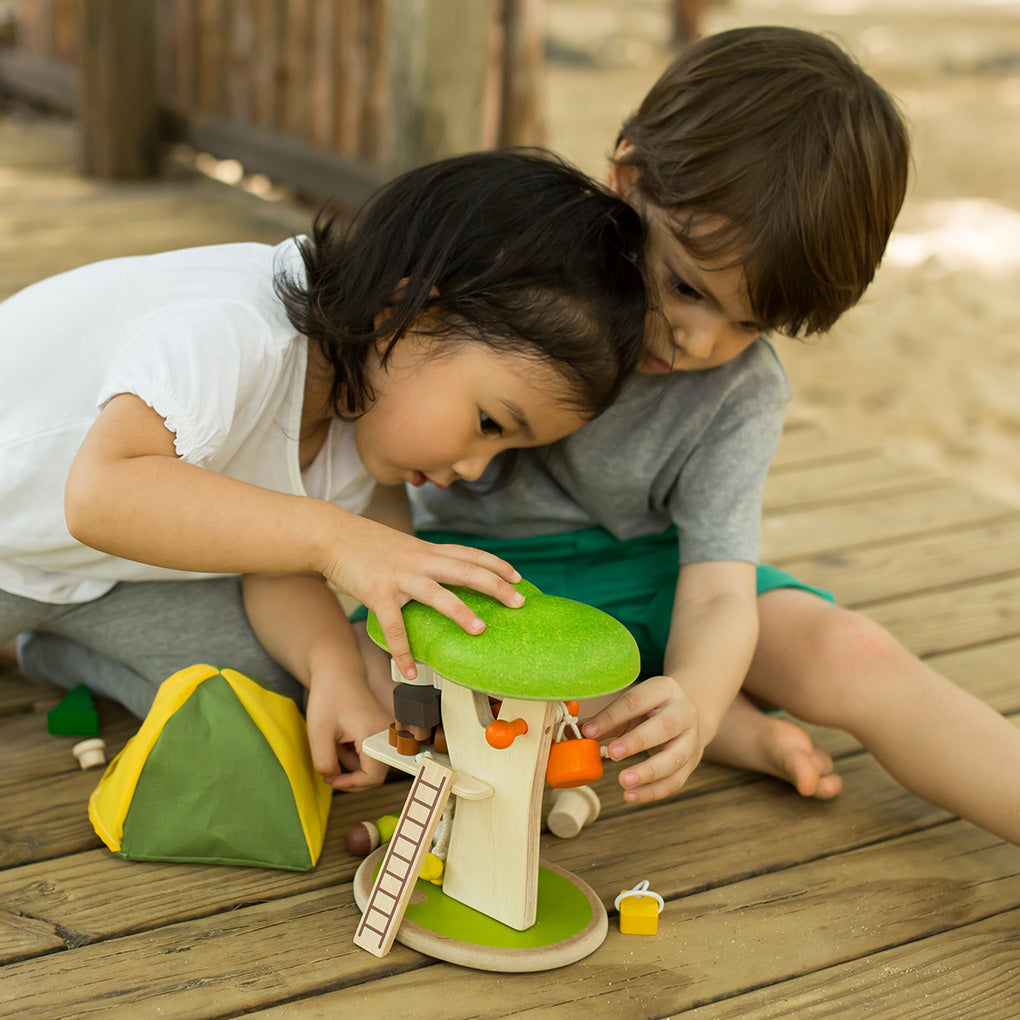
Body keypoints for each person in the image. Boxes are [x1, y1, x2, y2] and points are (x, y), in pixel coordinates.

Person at [410, 27, 1020, 848]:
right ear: (625, 182)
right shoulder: (518, 269)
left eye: (751, 321)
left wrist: (696, 691)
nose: (701, 341)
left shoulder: (740, 390)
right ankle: (730, 730)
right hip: (488, 590)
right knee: (466, 702)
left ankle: (699, 714)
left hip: (659, 584)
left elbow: (718, 592)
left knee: (855, 655)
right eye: (686, 287)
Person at [0, 150, 647, 792]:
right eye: (488, 424)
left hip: (97, 576)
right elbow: (101, 496)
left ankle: (46, 646)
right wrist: (339, 541)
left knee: (281, 695)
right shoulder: (235, 329)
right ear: (406, 314)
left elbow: (273, 562)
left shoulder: (365, 419)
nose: (474, 467)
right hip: (36, 546)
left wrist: (334, 666)